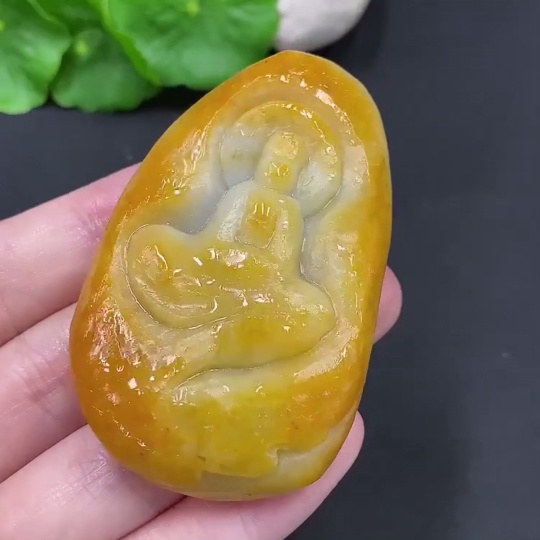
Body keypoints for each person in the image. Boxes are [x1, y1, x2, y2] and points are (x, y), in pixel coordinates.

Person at [0, 165, 402, 539]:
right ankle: (191, 362)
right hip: (211, 271)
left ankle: (203, 366)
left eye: (289, 163)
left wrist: (256, 271)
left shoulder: (286, 212)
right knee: (153, 250)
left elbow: (279, 263)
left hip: (261, 287)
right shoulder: (242, 194)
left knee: (312, 314)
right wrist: (224, 262)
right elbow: (217, 237)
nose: (278, 168)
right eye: (274, 159)